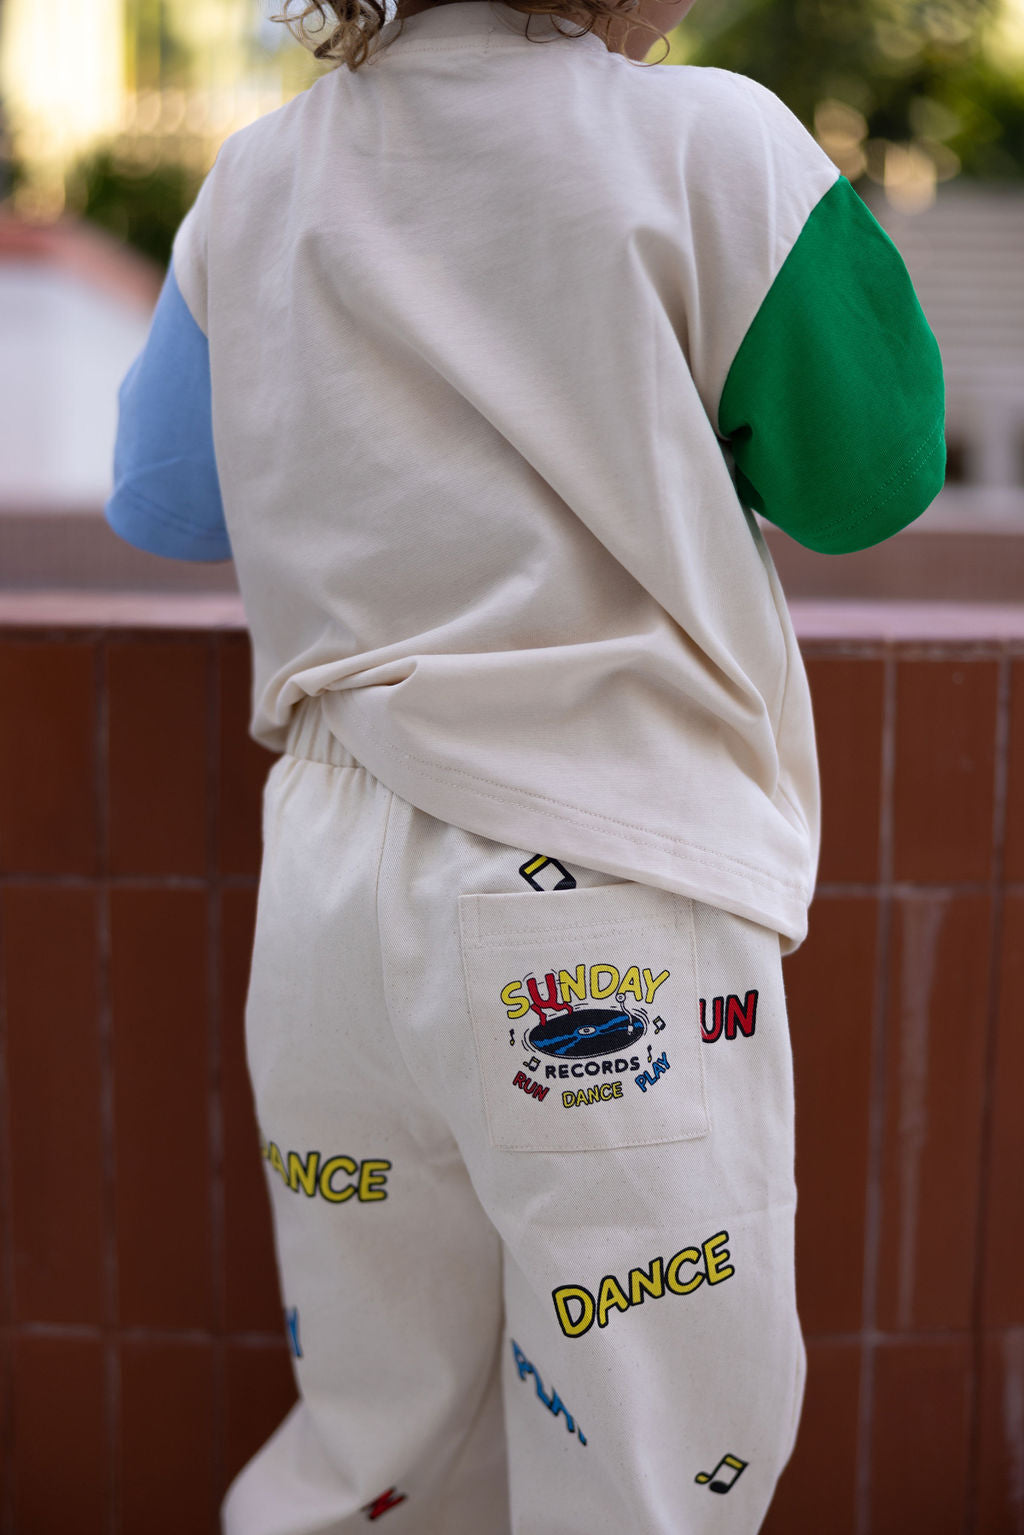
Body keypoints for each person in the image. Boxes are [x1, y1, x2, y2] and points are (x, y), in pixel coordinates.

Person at [104, 0, 946, 1527]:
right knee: (650, 1440)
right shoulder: (713, 142)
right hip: (606, 881)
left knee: (380, 1431)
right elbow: (868, 480)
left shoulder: (257, 179)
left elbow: (165, 498)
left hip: (332, 885)